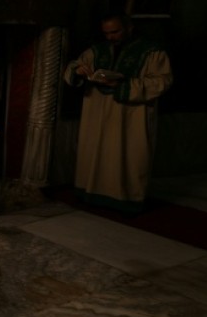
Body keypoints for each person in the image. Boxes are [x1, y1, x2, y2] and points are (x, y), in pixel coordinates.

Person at [63, 12, 173, 214]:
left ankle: (126, 199)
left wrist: (123, 85)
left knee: (128, 156)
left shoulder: (151, 52)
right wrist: (77, 70)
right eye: (106, 33)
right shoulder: (97, 51)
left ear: (128, 28)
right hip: (97, 112)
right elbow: (74, 67)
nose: (110, 37)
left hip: (130, 117)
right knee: (96, 152)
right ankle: (92, 194)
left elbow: (161, 81)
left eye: (115, 31)